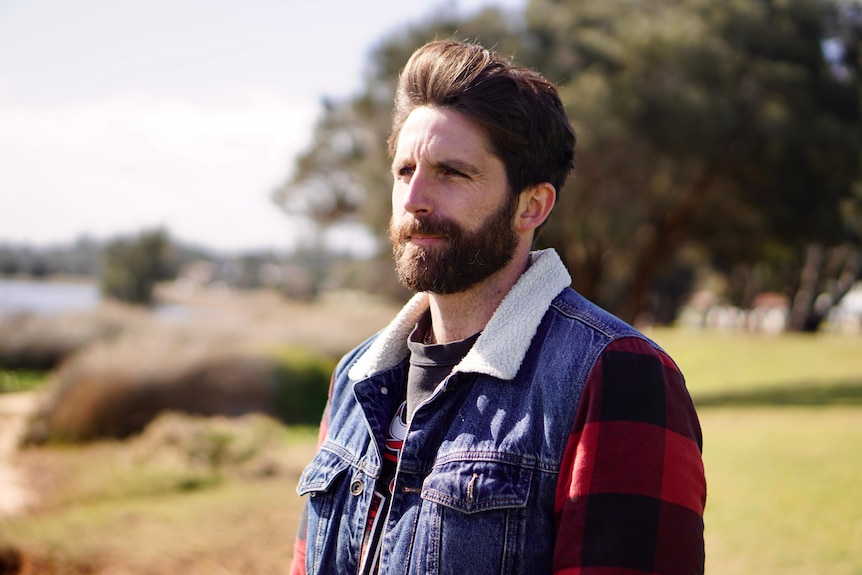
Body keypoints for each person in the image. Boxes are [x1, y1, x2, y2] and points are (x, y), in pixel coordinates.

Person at [289, 39, 706, 575]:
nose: (414, 197)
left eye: (452, 173)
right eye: (404, 171)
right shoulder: (354, 378)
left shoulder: (618, 375)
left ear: (531, 206)